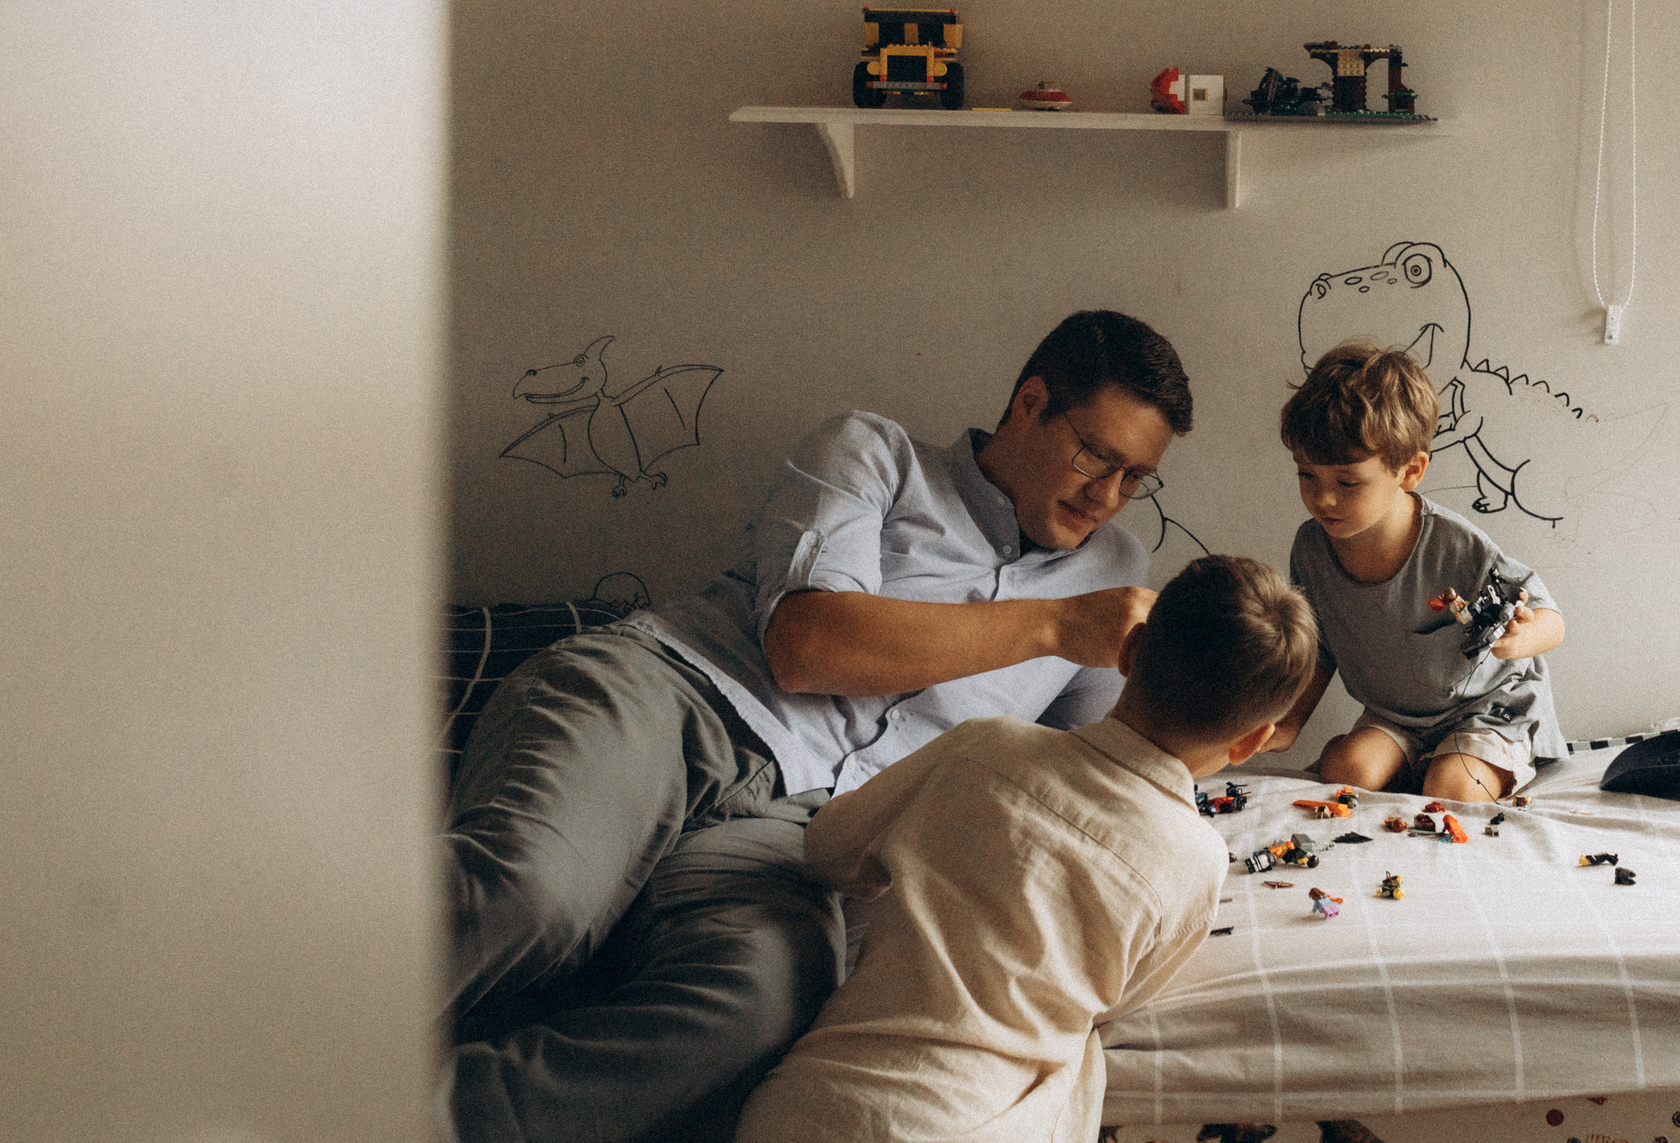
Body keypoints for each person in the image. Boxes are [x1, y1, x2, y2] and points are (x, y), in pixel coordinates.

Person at [440, 310, 1194, 1143]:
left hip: (808, 832)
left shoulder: (1117, 569)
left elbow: (1085, 771)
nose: (1108, 496)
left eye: (1135, 478)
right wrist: (1053, 625)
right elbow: (807, 646)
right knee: (531, 896)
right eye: (1097, 454)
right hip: (680, 696)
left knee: (755, 1011)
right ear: (1031, 402)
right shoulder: (874, 451)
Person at [734, 553, 1317, 1143]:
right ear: (1252, 741)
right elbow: (1121, 999)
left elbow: (828, 848)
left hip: (804, 1108)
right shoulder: (1196, 861)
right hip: (971, 1124)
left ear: (1128, 651)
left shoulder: (984, 744)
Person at [1263, 339, 1565, 803]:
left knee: (1453, 790)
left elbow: (1552, 619)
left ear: (1409, 471)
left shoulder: (1455, 545)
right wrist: (1285, 724)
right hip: (1396, 717)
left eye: (1347, 482)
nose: (1323, 499)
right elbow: (1318, 649)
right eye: (1307, 475)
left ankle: (1463, 765)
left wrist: (1520, 639)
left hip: (1486, 710)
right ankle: (1419, 763)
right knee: (1348, 771)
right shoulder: (1310, 548)